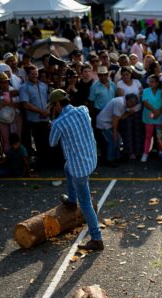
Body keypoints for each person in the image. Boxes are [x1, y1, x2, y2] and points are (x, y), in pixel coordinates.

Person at [48, 89, 103, 251]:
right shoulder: (83, 110)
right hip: (91, 158)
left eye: (54, 105)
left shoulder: (58, 123)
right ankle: (72, 200)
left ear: (57, 104)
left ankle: (96, 238)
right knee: (66, 167)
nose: (54, 108)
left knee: (85, 203)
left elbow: (52, 142)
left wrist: (52, 121)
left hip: (79, 168)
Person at [96, 94, 141, 165]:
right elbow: (115, 120)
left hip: (108, 123)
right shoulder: (120, 103)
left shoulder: (123, 103)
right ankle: (110, 160)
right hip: (104, 123)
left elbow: (120, 118)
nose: (133, 106)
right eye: (133, 104)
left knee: (117, 140)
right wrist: (114, 133)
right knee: (112, 141)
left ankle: (116, 157)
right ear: (130, 101)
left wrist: (128, 113)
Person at [141, 74, 162, 162]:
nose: (150, 83)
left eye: (152, 82)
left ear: (157, 83)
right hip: (149, 118)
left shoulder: (161, 91)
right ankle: (145, 153)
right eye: (149, 82)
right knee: (148, 136)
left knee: (159, 136)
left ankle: (160, 151)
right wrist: (155, 111)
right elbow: (145, 102)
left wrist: (158, 112)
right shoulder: (145, 91)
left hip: (159, 118)